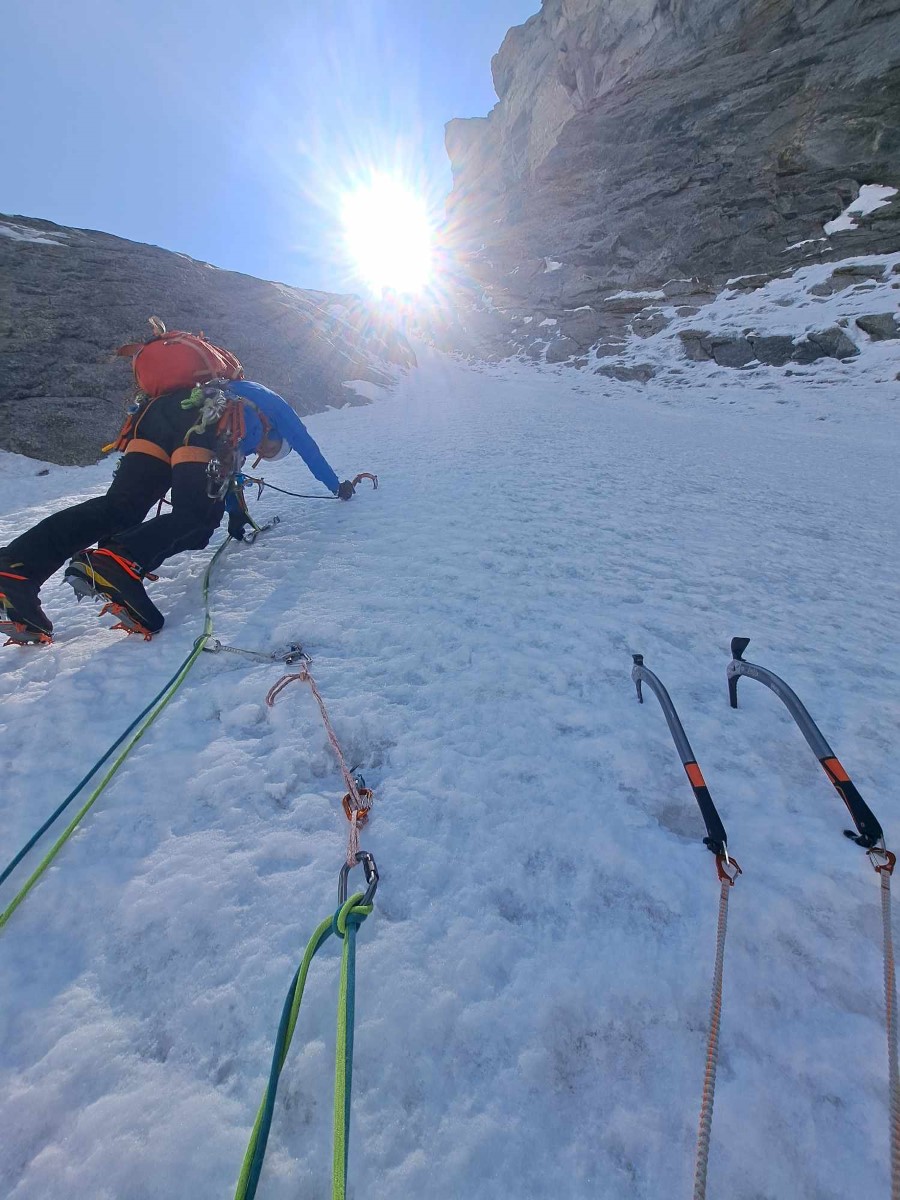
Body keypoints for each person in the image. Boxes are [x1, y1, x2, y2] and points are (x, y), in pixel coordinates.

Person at [0, 325, 355, 644]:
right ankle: (117, 561)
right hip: (203, 419)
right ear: (275, 438)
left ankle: (17, 570)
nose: (265, 449)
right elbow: (305, 443)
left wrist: (236, 513)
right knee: (197, 520)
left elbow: (223, 476)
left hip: (155, 415)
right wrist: (335, 485)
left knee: (119, 508)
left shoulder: (212, 392)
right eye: (272, 447)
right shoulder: (258, 398)